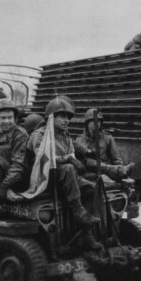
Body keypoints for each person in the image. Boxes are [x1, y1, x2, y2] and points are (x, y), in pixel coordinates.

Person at [26, 98, 99, 228]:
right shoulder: (39, 135)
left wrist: (73, 159)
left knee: (93, 188)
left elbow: (71, 154)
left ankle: (87, 232)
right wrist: (68, 159)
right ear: (51, 117)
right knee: (69, 167)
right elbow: (43, 160)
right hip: (45, 177)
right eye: (62, 117)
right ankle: (78, 211)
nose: (66, 120)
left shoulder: (66, 135)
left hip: (65, 176)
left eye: (68, 117)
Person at [75, 109, 134, 181]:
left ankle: (119, 171)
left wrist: (119, 174)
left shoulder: (107, 138)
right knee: (85, 160)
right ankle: (118, 170)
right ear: (87, 123)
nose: (97, 123)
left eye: (99, 121)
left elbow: (116, 160)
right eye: (94, 121)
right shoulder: (79, 140)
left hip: (105, 174)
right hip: (88, 174)